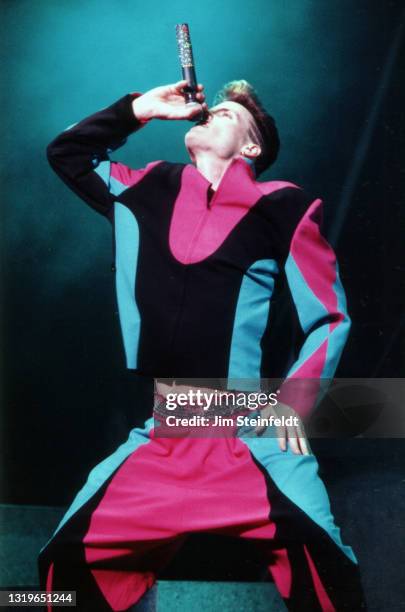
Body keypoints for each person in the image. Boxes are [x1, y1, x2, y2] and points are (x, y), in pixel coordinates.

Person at [38, 78, 367, 611]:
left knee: (329, 570)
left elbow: (330, 317)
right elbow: (67, 153)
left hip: (251, 438)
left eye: (229, 113)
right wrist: (138, 110)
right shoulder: (144, 187)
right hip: (162, 437)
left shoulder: (284, 205)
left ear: (252, 147)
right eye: (210, 110)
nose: (210, 113)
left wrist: (295, 403)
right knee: (56, 572)